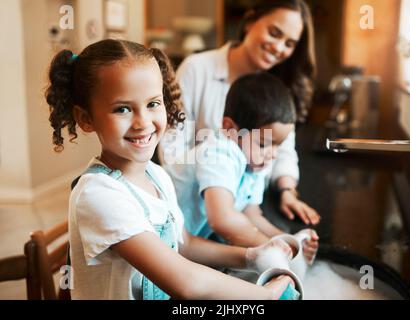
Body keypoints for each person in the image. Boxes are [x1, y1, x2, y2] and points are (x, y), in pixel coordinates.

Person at [45, 39, 298, 300]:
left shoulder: (157, 176)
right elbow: (185, 282)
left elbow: (183, 243)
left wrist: (250, 256)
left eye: (153, 104)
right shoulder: (98, 194)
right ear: (86, 118)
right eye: (122, 109)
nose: (143, 122)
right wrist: (263, 295)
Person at [160, 0, 320, 226]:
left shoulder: (278, 86)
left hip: (247, 206)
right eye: (274, 33)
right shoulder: (197, 68)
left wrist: (287, 191)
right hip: (192, 209)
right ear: (250, 22)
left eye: (290, 43)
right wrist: (215, 190)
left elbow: (284, 150)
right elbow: (172, 148)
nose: (279, 47)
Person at [164, 72, 319, 262]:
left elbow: (251, 215)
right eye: (263, 143)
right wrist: (272, 249)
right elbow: (222, 219)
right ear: (230, 129)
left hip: (186, 244)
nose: (272, 154)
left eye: (278, 144)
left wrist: (289, 242)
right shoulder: (219, 152)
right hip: (159, 240)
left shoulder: (254, 161)